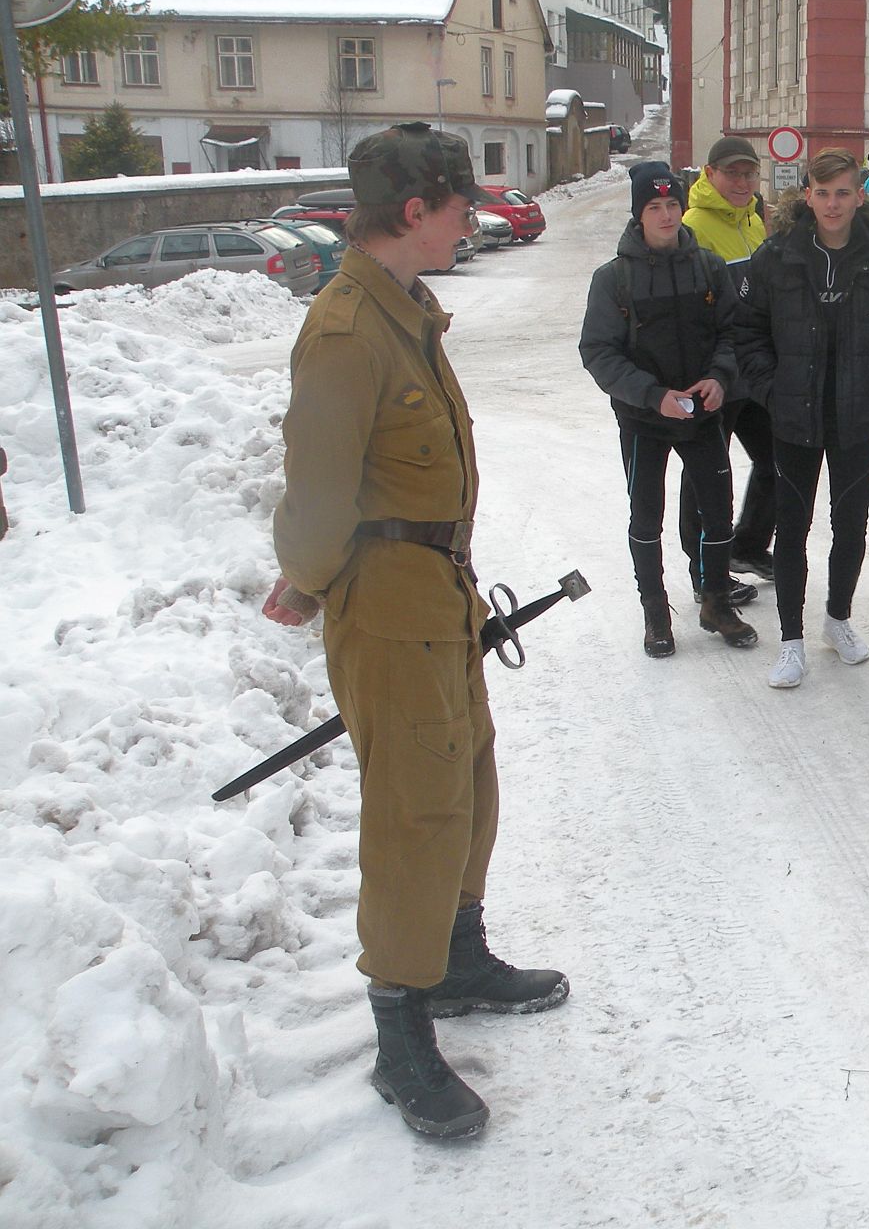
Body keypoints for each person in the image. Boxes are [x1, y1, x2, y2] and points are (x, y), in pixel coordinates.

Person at [264, 122, 566, 1139]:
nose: (471, 219)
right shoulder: (347, 331)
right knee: (413, 813)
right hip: (389, 612)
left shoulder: (406, 311)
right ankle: (400, 1035)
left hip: (438, 595)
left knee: (467, 781)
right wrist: (306, 581)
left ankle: (456, 958)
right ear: (412, 211)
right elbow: (318, 493)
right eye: (459, 205)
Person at [733, 147, 869, 689]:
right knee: (792, 528)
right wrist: (772, 389)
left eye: (842, 193)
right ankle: (790, 642)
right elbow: (748, 331)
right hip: (794, 416)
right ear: (807, 196)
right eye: (822, 193)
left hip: (856, 416)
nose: (832, 204)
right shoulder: (777, 255)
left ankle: (838, 619)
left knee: (850, 525)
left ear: (860, 197)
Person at [579, 161, 760, 657]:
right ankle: (655, 612)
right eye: (654, 206)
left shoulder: (708, 268)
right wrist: (652, 395)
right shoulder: (613, 278)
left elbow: (733, 332)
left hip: (703, 416)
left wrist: (720, 377)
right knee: (646, 518)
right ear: (639, 214)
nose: (666, 215)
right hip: (644, 421)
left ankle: (716, 601)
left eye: (673, 204)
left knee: (717, 513)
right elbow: (598, 351)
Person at [683, 136, 777, 588]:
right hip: (715, 375)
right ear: (710, 173)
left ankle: (748, 546)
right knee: (706, 473)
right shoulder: (692, 226)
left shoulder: (754, 220)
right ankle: (704, 571)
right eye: (732, 173)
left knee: (777, 459)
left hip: (755, 371)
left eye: (749, 174)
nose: (742, 182)